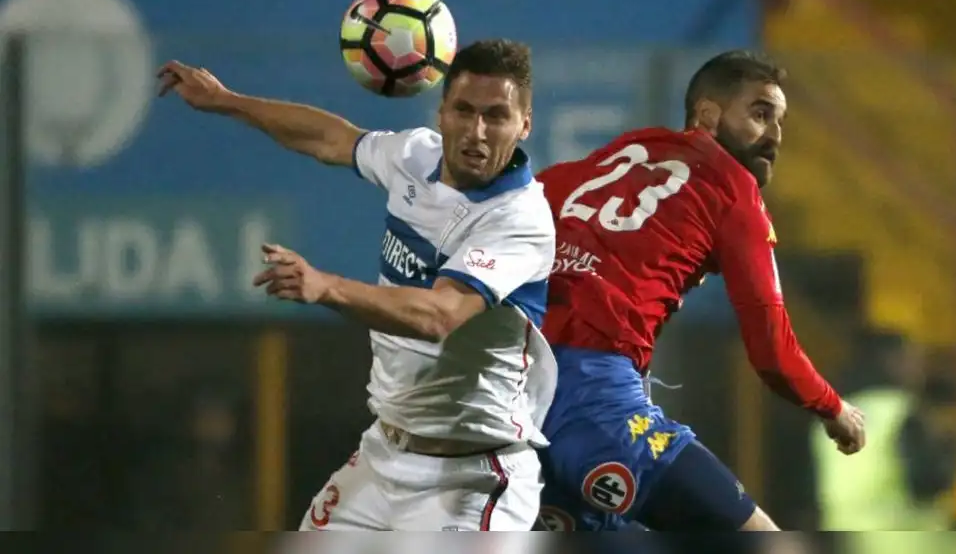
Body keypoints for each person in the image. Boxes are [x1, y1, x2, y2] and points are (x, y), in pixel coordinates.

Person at [157, 39, 557, 531]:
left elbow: (441, 316)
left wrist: (326, 287)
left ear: (524, 124)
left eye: (496, 116)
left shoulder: (519, 218)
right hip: (383, 457)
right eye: (464, 110)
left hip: (472, 479)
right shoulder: (415, 156)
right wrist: (226, 100)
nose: (477, 131)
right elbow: (329, 139)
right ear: (442, 112)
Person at [532, 50, 866, 532]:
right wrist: (833, 407)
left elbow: (534, 195)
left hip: (518, 394)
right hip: (596, 400)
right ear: (708, 115)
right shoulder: (732, 189)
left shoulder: (628, 150)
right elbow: (772, 351)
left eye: (780, 121)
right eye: (760, 114)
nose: (774, 135)